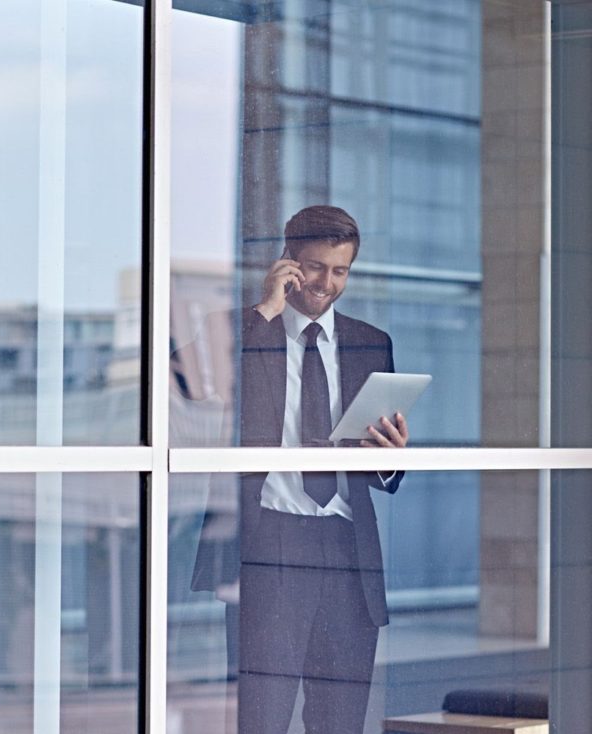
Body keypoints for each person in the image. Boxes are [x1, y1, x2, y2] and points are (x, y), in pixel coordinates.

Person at [187, 205, 409, 734]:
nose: (326, 284)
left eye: (340, 271)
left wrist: (391, 458)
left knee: (340, 723)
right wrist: (264, 313)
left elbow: (384, 473)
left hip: (347, 551)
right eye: (314, 267)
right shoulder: (240, 330)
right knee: (261, 718)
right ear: (287, 261)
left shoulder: (370, 342)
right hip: (270, 546)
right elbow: (185, 391)